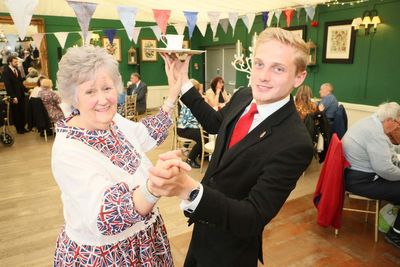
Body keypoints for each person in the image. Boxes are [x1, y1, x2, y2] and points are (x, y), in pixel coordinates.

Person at [151, 27, 314, 267]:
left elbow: (253, 216)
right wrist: (183, 82)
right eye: (259, 64)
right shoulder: (244, 95)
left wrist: (190, 190)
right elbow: (216, 123)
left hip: (232, 249)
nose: (262, 76)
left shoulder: (296, 142)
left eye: (277, 68)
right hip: (203, 227)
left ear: (299, 77)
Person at [52, 46, 189, 266]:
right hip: (106, 256)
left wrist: (173, 93)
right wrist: (153, 187)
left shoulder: (115, 121)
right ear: (73, 97)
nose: (103, 99)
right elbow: (105, 213)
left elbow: (147, 134)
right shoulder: (68, 150)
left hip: (146, 241)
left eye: (107, 88)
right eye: (90, 91)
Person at [342, 102, 400, 249]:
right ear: (390, 120)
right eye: (398, 123)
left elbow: (386, 149)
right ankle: (395, 234)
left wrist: (395, 152)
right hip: (360, 181)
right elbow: (385, 170)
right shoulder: (375, 134)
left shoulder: (371, 122)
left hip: (354, 174)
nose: (398, 127)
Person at [177, 79, 204, 168]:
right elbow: (195, 118)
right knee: (202, 138)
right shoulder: (192, 101)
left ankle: (199, 154)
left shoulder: (189, 98)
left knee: (204, 134)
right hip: (184, 129)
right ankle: (190, 159)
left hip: (186, 126)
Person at [2, 55, 28, 134]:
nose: (17, 63)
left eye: (17, 61)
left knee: (22, 112)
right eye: (15, 62)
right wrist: (13, 97)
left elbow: (20, 83)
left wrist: (27, 90)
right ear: (10, 62)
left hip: (21, 95)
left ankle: (23, 127)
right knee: (16, 113)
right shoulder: (6, 72)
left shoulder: (17, 70)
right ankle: (19, 129)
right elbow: (8, 86)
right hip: (14, 96)